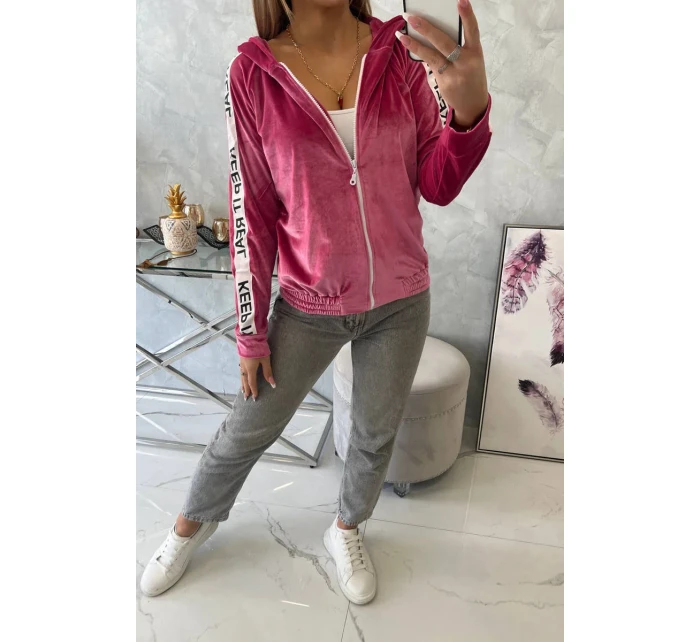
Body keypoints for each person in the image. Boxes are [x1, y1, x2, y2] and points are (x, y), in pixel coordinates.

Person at [140, 0, 490, 604]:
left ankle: (347, 528)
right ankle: (189, 524)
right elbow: (251, 210)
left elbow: (436, 184)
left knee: (374, 434)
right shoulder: (254, 74)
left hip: (401, 299)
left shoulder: (399, 54)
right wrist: (250, 330)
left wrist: (469, 112)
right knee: (248, 427)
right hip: (309, 303)